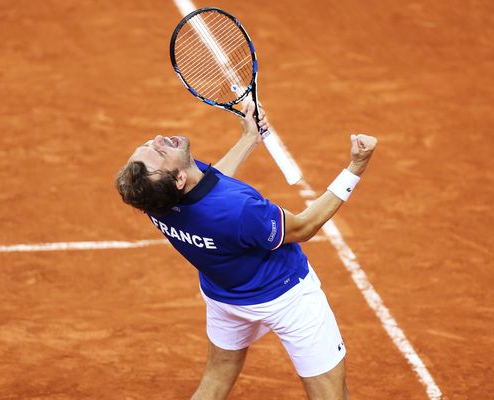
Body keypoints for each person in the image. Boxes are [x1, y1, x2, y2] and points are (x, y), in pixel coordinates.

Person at [115, 99, 377, 400]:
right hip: (287, 298)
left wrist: (249, 138)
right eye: (160, 152)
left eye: (150, 143)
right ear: (179, 179)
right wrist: (356, 166)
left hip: (224, 300)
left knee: (213, 385)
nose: (159, 139)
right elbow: (304, 227)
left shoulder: (154, 200)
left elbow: (209, 188)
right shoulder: (239, 210)